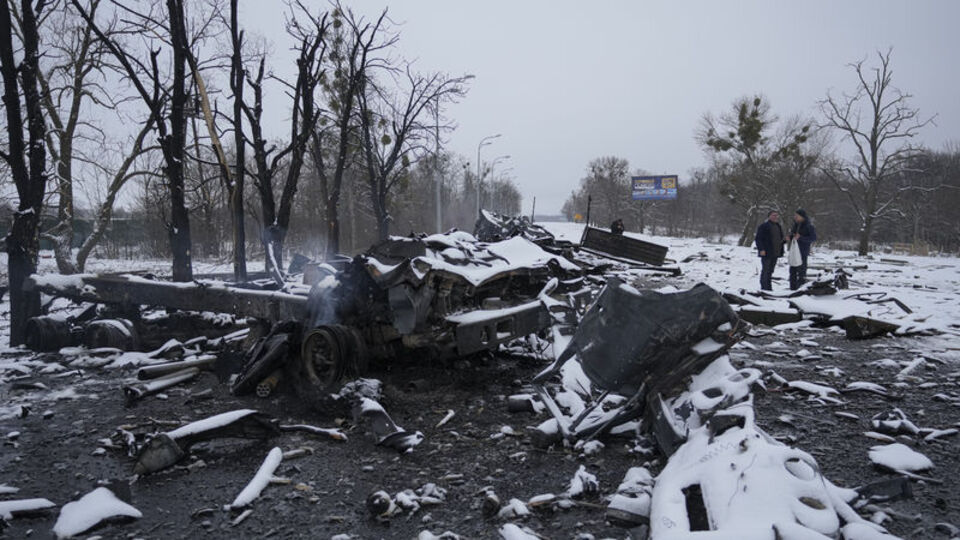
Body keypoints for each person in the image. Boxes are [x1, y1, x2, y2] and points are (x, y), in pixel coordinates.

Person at [754, 210, 784, 291]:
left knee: (771, 271)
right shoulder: (764, 226)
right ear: (769, 216)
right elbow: (758, 239)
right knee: (765, 270)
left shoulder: (778, 226)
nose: (775, 217)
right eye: (773, 215)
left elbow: (780, 239)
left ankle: (769, 287)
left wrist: (785, 240)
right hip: (766, 252)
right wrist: (761, 249)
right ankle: (764, 287)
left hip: (775, 252)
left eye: (776, 216)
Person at [789, 208, 817, 290]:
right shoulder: (795, 225)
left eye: (797, 216)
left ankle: (800, 288)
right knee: (792, 271)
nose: (795, 217)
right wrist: (790, 237)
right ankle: (792, 288)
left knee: (801, 271)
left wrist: (801, 238)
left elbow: (813, 238)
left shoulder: (809, 226)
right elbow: (794, 236)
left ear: (802, 217)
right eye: (795, 216)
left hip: (803, 251)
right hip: (794, 251)